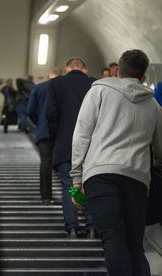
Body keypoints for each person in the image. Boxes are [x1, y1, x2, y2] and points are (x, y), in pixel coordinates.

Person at [70, 49, 162, 276]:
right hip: (138, 179)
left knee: (113, 238)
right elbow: (160, 149)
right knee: (134, 244)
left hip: (101, 175)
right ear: (142, 77)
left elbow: (82, 135)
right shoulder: (154, 106)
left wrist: (76, 178)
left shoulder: (99, 92)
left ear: (116, 71)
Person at [46, 57, 95, 238]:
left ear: (67, 69)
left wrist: (56, 137)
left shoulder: (56, 84)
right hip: (91, 145)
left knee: (70, 185)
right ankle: (92, 226)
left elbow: (51, 114)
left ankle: (72, 227)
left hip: (66, 145)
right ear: (84, 69)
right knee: (89, 184)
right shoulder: (94, 84)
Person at [27, 67, 62, 205]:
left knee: (45, 163)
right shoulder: (64, 87)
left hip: (44, 132)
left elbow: (30, 110)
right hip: (62, 133)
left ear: (48, 76)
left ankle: (46, 197)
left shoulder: (39, 88)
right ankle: (75, 199)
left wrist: (39, 123)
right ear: (61, 76)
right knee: (68, 168)